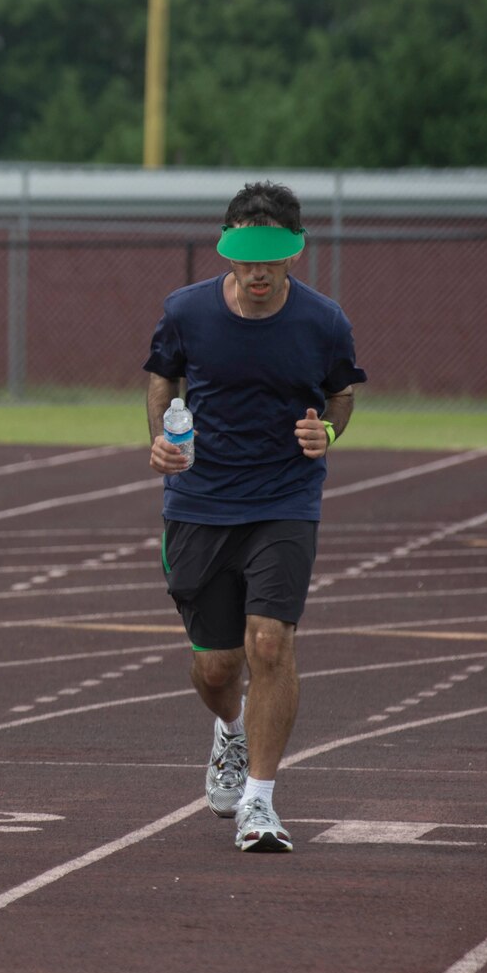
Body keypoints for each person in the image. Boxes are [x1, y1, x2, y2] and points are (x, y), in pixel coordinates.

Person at [144, 180, 366, 853]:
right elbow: (161, 375)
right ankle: (230, 728)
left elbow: (343, 395)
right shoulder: (186, 311)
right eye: (247, 257)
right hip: (201, 503)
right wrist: (159, 436)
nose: (259, 271)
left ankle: (259, 803)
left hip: (284, 500)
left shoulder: (324, 321)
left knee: (270, 642)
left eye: (271, 259)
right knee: (217, 666)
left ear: (292, 254)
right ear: (229, 253)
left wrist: (326, 434)